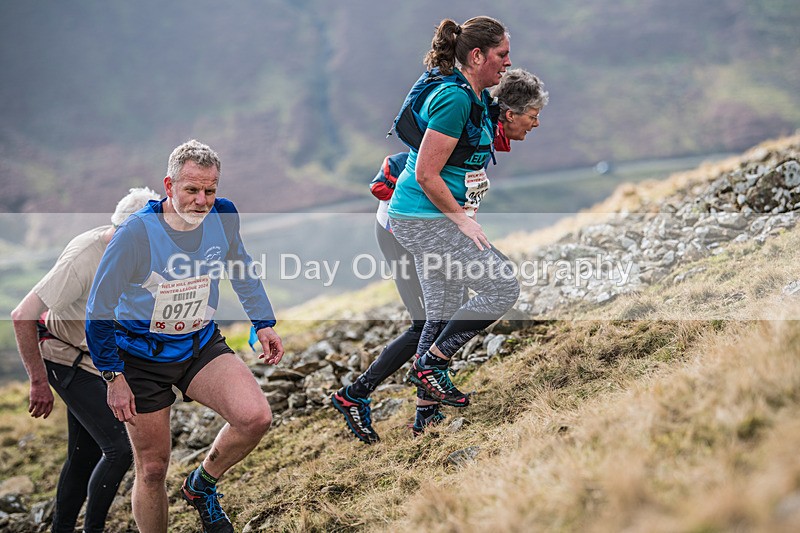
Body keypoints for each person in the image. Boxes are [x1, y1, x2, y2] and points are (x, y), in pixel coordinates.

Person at [331, 68, 548, 443]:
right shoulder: (473, 120)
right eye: (533, 115)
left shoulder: (486, 123)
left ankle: (425, 416)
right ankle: (357, 394)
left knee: (441, 314)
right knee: (427, 323)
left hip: (429, 227)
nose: (538, 123)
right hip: (400, 232)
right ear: (511, 114)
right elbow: (425, 167)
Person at [85, 140, 284, 533]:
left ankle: (201, 486)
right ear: (169, 185)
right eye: (191, 190)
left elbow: (240, 267)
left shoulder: (223, 215)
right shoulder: (135, 234)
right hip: (139, 359)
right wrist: (113, 376)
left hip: (198, 345)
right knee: (154, 467)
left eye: (210, 190)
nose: (202, 200)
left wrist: (263, 322)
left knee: (255, 418)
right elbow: (98, 310)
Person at [11, 186, 161, 532]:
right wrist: (38, 383)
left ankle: (61, 528)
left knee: (84, 454)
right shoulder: (84, 256)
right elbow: (23, 315)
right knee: (120, 448)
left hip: (99, 361)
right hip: (64, 357)